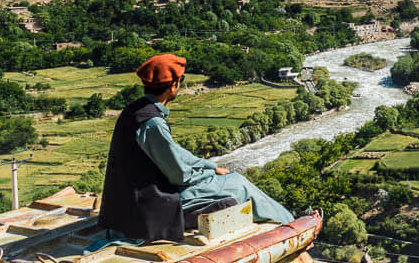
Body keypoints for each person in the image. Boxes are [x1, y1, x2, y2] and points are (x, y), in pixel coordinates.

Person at [98, 53, 294, 242]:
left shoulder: (134, 111)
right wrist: (208, 174)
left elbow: (174, 153)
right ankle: (291, 227)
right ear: (174, 85)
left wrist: (209, 166)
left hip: (130, 201)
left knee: (226, 180)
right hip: (147, 207)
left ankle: (288, 224)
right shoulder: (153, 124)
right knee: (238, 184)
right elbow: (180, 175)